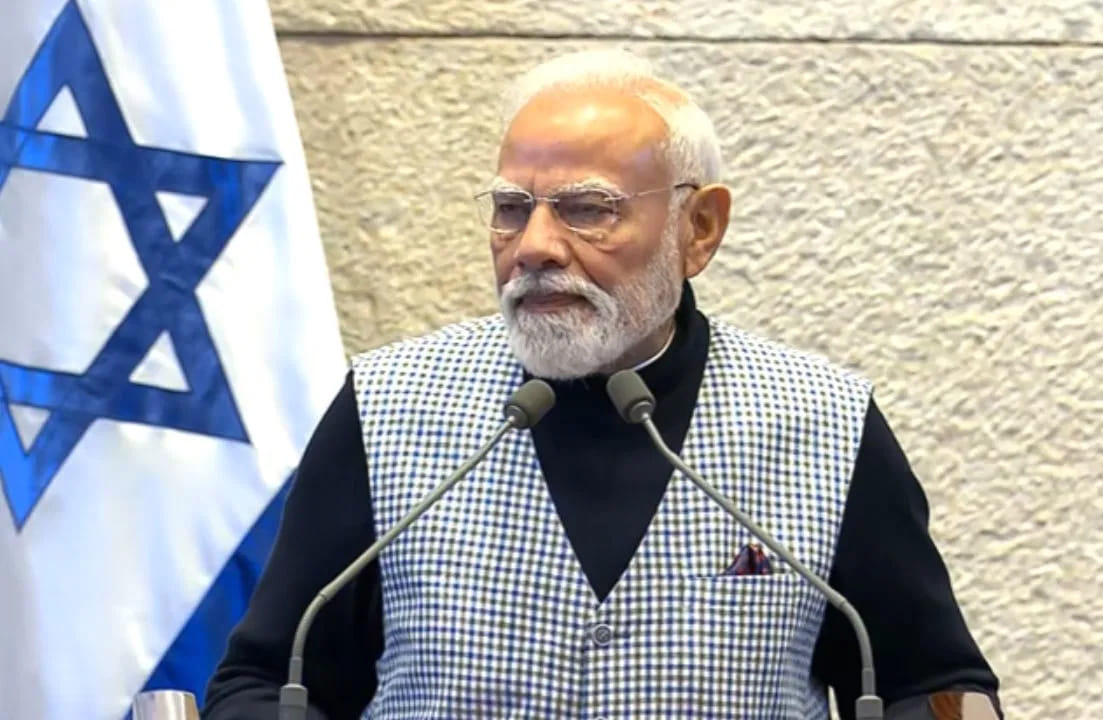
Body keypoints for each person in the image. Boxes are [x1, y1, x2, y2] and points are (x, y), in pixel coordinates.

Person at [203, 49, 1002, 719]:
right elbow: (269, 679)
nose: (534, 246)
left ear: (698, 229)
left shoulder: (823, 423)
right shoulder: (389, 404)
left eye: (587, 209)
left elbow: (928, 683)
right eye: (511, 208)